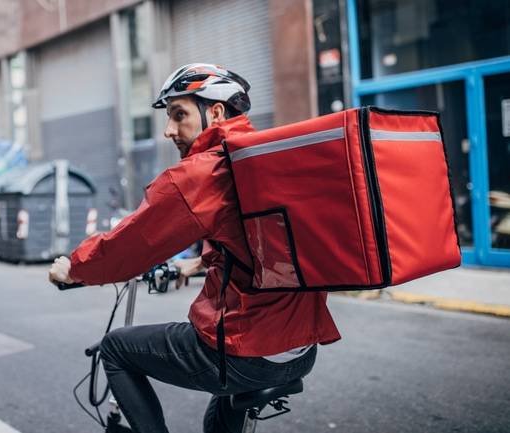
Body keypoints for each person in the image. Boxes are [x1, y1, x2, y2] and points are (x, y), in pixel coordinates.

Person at [49, 63, 341, 433]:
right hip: (301, 347)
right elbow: (255, 243)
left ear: (215, 112)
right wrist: (193, 266)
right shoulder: (258, 160)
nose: (169, 130)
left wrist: (74, 269)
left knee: (116, 349)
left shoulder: (205, 171)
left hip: (247, 350)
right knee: (218, 421)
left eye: (179, 115)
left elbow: (130, 245)